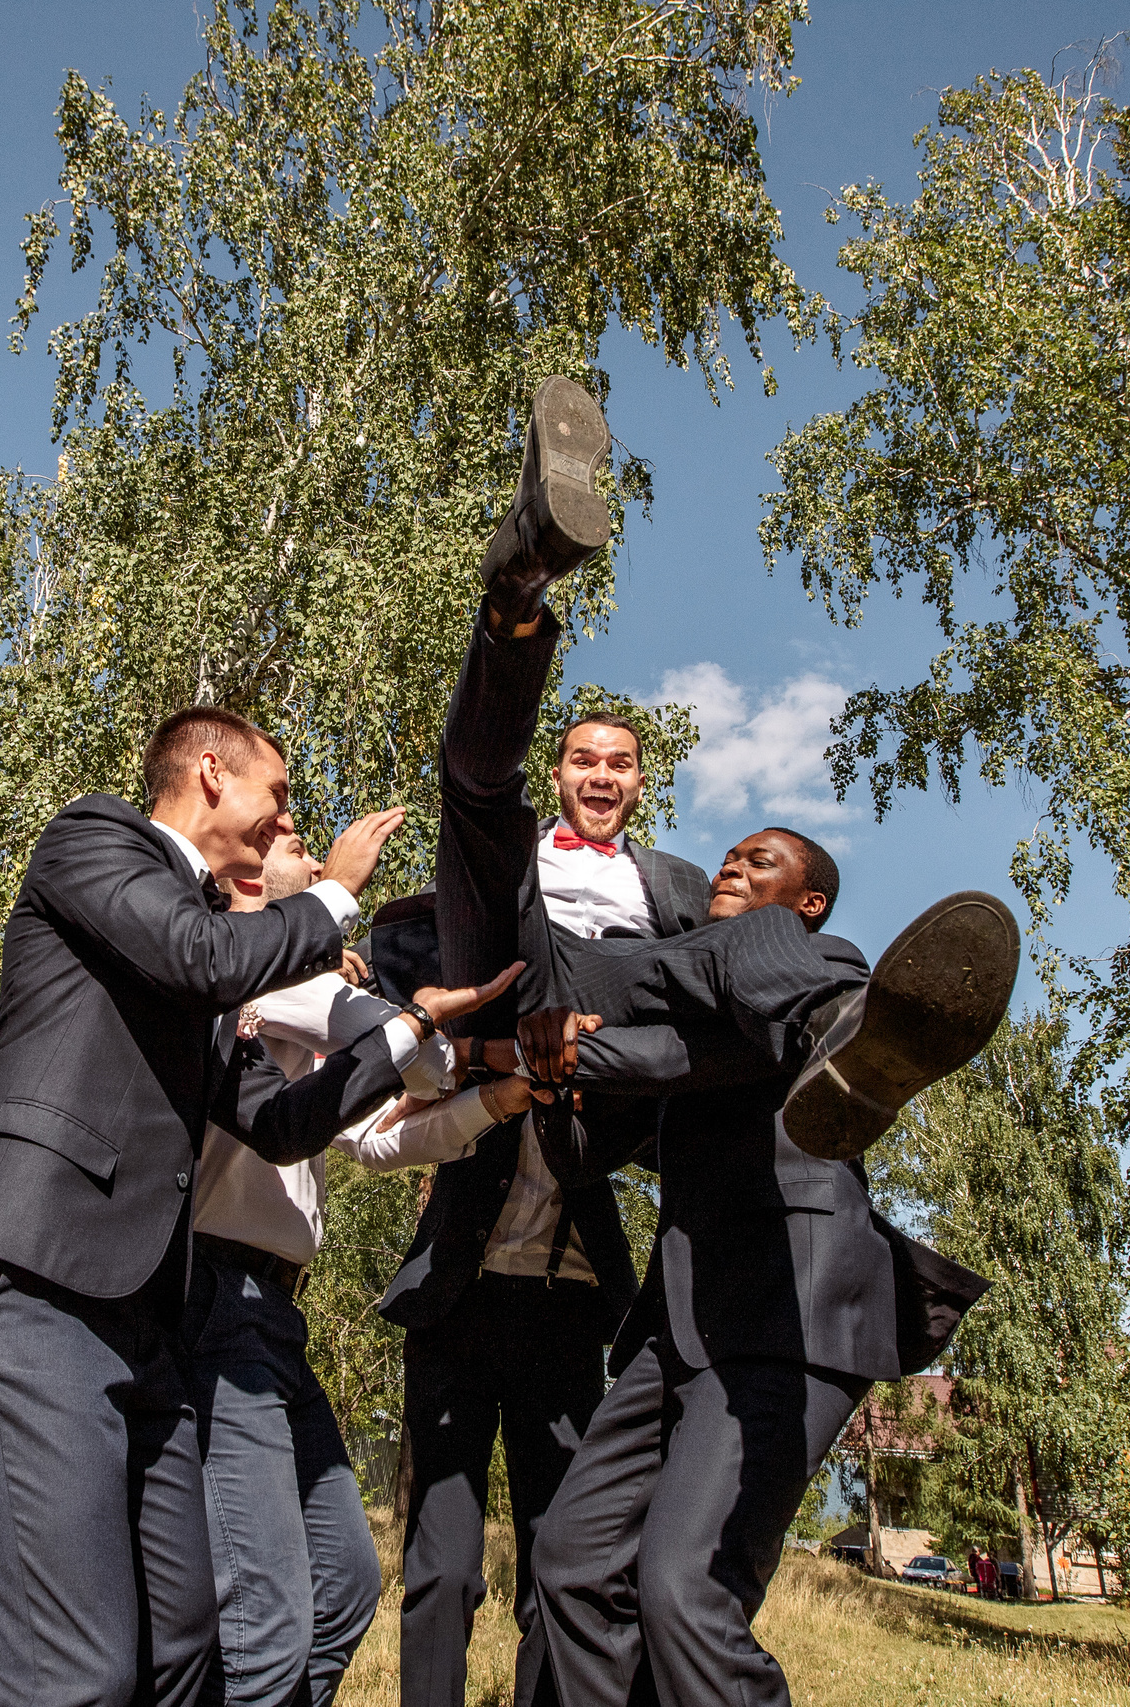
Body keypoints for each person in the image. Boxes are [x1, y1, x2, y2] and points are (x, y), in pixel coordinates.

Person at [425, 378, 1012, 1707]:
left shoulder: (749, 932)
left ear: (811, 898)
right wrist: (558, 1041)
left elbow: (721, 1014)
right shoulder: (664, 948)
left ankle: (860, 1045)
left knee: (685, 1592)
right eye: (732, 852)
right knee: (573, 1559)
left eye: (767, 860)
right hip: (671, 1299)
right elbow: (669, 1051)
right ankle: (516, 577)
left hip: (786, 1295)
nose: (736, 866)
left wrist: (606, 1045)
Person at [0, 707, 518, 1707]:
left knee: (182, 1649)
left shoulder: (210, 954)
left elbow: (276, 1124)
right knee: (75, 1678)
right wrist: (332, 893)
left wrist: (401, 1027)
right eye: (278, 795)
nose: (284, 819)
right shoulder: (95, 840)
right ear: (213, 773)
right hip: (20, 1273)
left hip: (138, 1317)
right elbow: (200, 956)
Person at [376, 376, 712, 1707]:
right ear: (568, 770)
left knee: (567, 1557)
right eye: (583, 753)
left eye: (620, 759)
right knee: (445, 1563)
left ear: (641, 781)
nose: (601, 770)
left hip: (575, 1272)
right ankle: (519, 584)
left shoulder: (672, 888)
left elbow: (708, 998)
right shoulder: (532, 847)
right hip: (467, 1255)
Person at [188, 831, 548, 1707]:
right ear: (245, 878)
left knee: (344, 1584)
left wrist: (496, 1102)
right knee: (266, 1616)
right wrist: (425, 1020)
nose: (317, 865)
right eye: (298, 849)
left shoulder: (299, 991)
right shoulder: (249, 970)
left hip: (274, 1312)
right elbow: (418, 1056)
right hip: (218, 1296)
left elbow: (375, 1135)